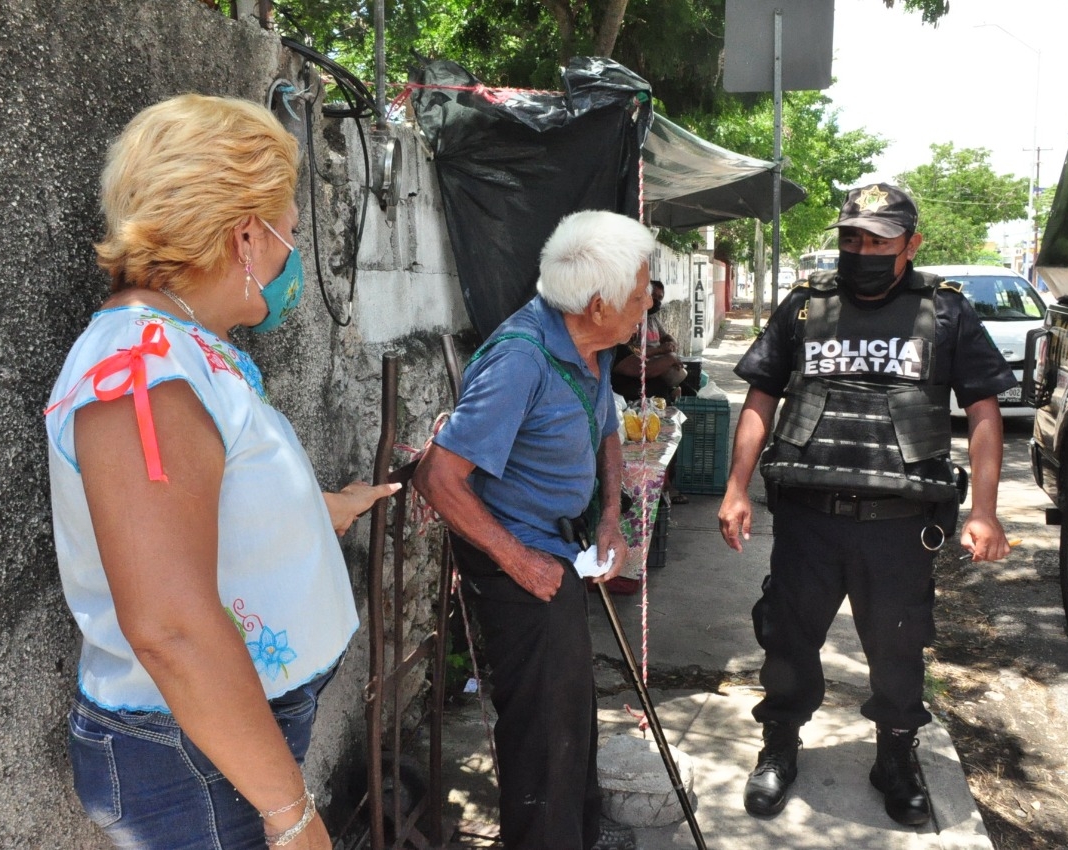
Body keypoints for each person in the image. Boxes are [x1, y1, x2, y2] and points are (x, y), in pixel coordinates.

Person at [44, 94, 397, 849]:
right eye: (288, 235)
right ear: (244, 234)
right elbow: (171, 626)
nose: (291, 258)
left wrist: (325, 508)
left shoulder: (182, 347)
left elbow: (215, 509)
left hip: (222, 742)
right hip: (193, 759)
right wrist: (294, 814)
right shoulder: (141, 375)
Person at [717, 183, 1015, 827]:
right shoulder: (804, 308)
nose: (863, 250)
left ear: (911, 244)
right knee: (789, 641)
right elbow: (760, 401)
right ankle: (778, 748)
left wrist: (984, 511)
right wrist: (736, 487)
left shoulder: (946, 313)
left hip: (902, 525)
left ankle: (896, 757)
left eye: (879, 239)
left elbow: (985, 413)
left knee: (898, 647)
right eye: (852, 237)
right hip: (809, 516)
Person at [413, 210, 654, 850]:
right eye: (639, 292)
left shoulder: (592, 346)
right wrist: (520, 561)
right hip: (515, 557)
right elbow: (437, 479)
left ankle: (578, 829)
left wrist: (609, 514)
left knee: (572, 708)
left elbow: (604, 426)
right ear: (598, 303)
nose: (648, 301)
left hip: (561, 546)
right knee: (543, 727)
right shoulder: (521, 359)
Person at [610, 279, 687, 404]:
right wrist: (670, 357)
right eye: (634, 323)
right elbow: (646, 369)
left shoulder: (627, 343)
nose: (637, 329)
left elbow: (640, 353)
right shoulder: (616, 347)